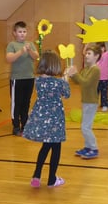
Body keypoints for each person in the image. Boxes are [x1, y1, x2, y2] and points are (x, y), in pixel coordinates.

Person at [22, 50, 70, 188]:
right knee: (56, 148)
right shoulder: (57, 83)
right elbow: (67, 94)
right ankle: (51, 179)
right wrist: (66, 78)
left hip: (42, 119)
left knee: (45, 146)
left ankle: (36, 175)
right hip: (55, 121)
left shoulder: (38, 81)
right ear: (54, 65)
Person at [67, 44, 101, 159]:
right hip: (86, 101)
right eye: (86, 53)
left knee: (85, 127)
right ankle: (88, 147)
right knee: (86, 125)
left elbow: (85, 83)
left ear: (96, 56)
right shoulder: (86, 68)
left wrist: (76, 73)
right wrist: (72, 74)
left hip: (91, 102)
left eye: (89, 53)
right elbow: (78, 81)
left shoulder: (95, 69)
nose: (86, 55)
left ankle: (94, 148)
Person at [6, 21, 39, 136]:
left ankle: (25, 124)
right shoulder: (12, 45)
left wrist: (29, 50)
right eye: (20, 32)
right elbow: (9, 59)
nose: (22, 34)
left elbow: (36, 56)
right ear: (14, 33)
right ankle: (16, 126)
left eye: (24, 32)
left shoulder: (30, 44)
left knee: (26, 102)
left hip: (29, 78)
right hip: (17, 79)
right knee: (17, 103)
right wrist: (21, 51)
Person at [91, 41, 108, 112]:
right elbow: (84, 53)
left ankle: (104, 105)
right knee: (95, 93)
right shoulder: (95, 55)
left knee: (104, 93)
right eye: (98, 48)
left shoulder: (107, 54)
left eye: (102, 47)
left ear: (104, 48)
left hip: (105, 78)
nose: (100, 49)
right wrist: (87, 44)